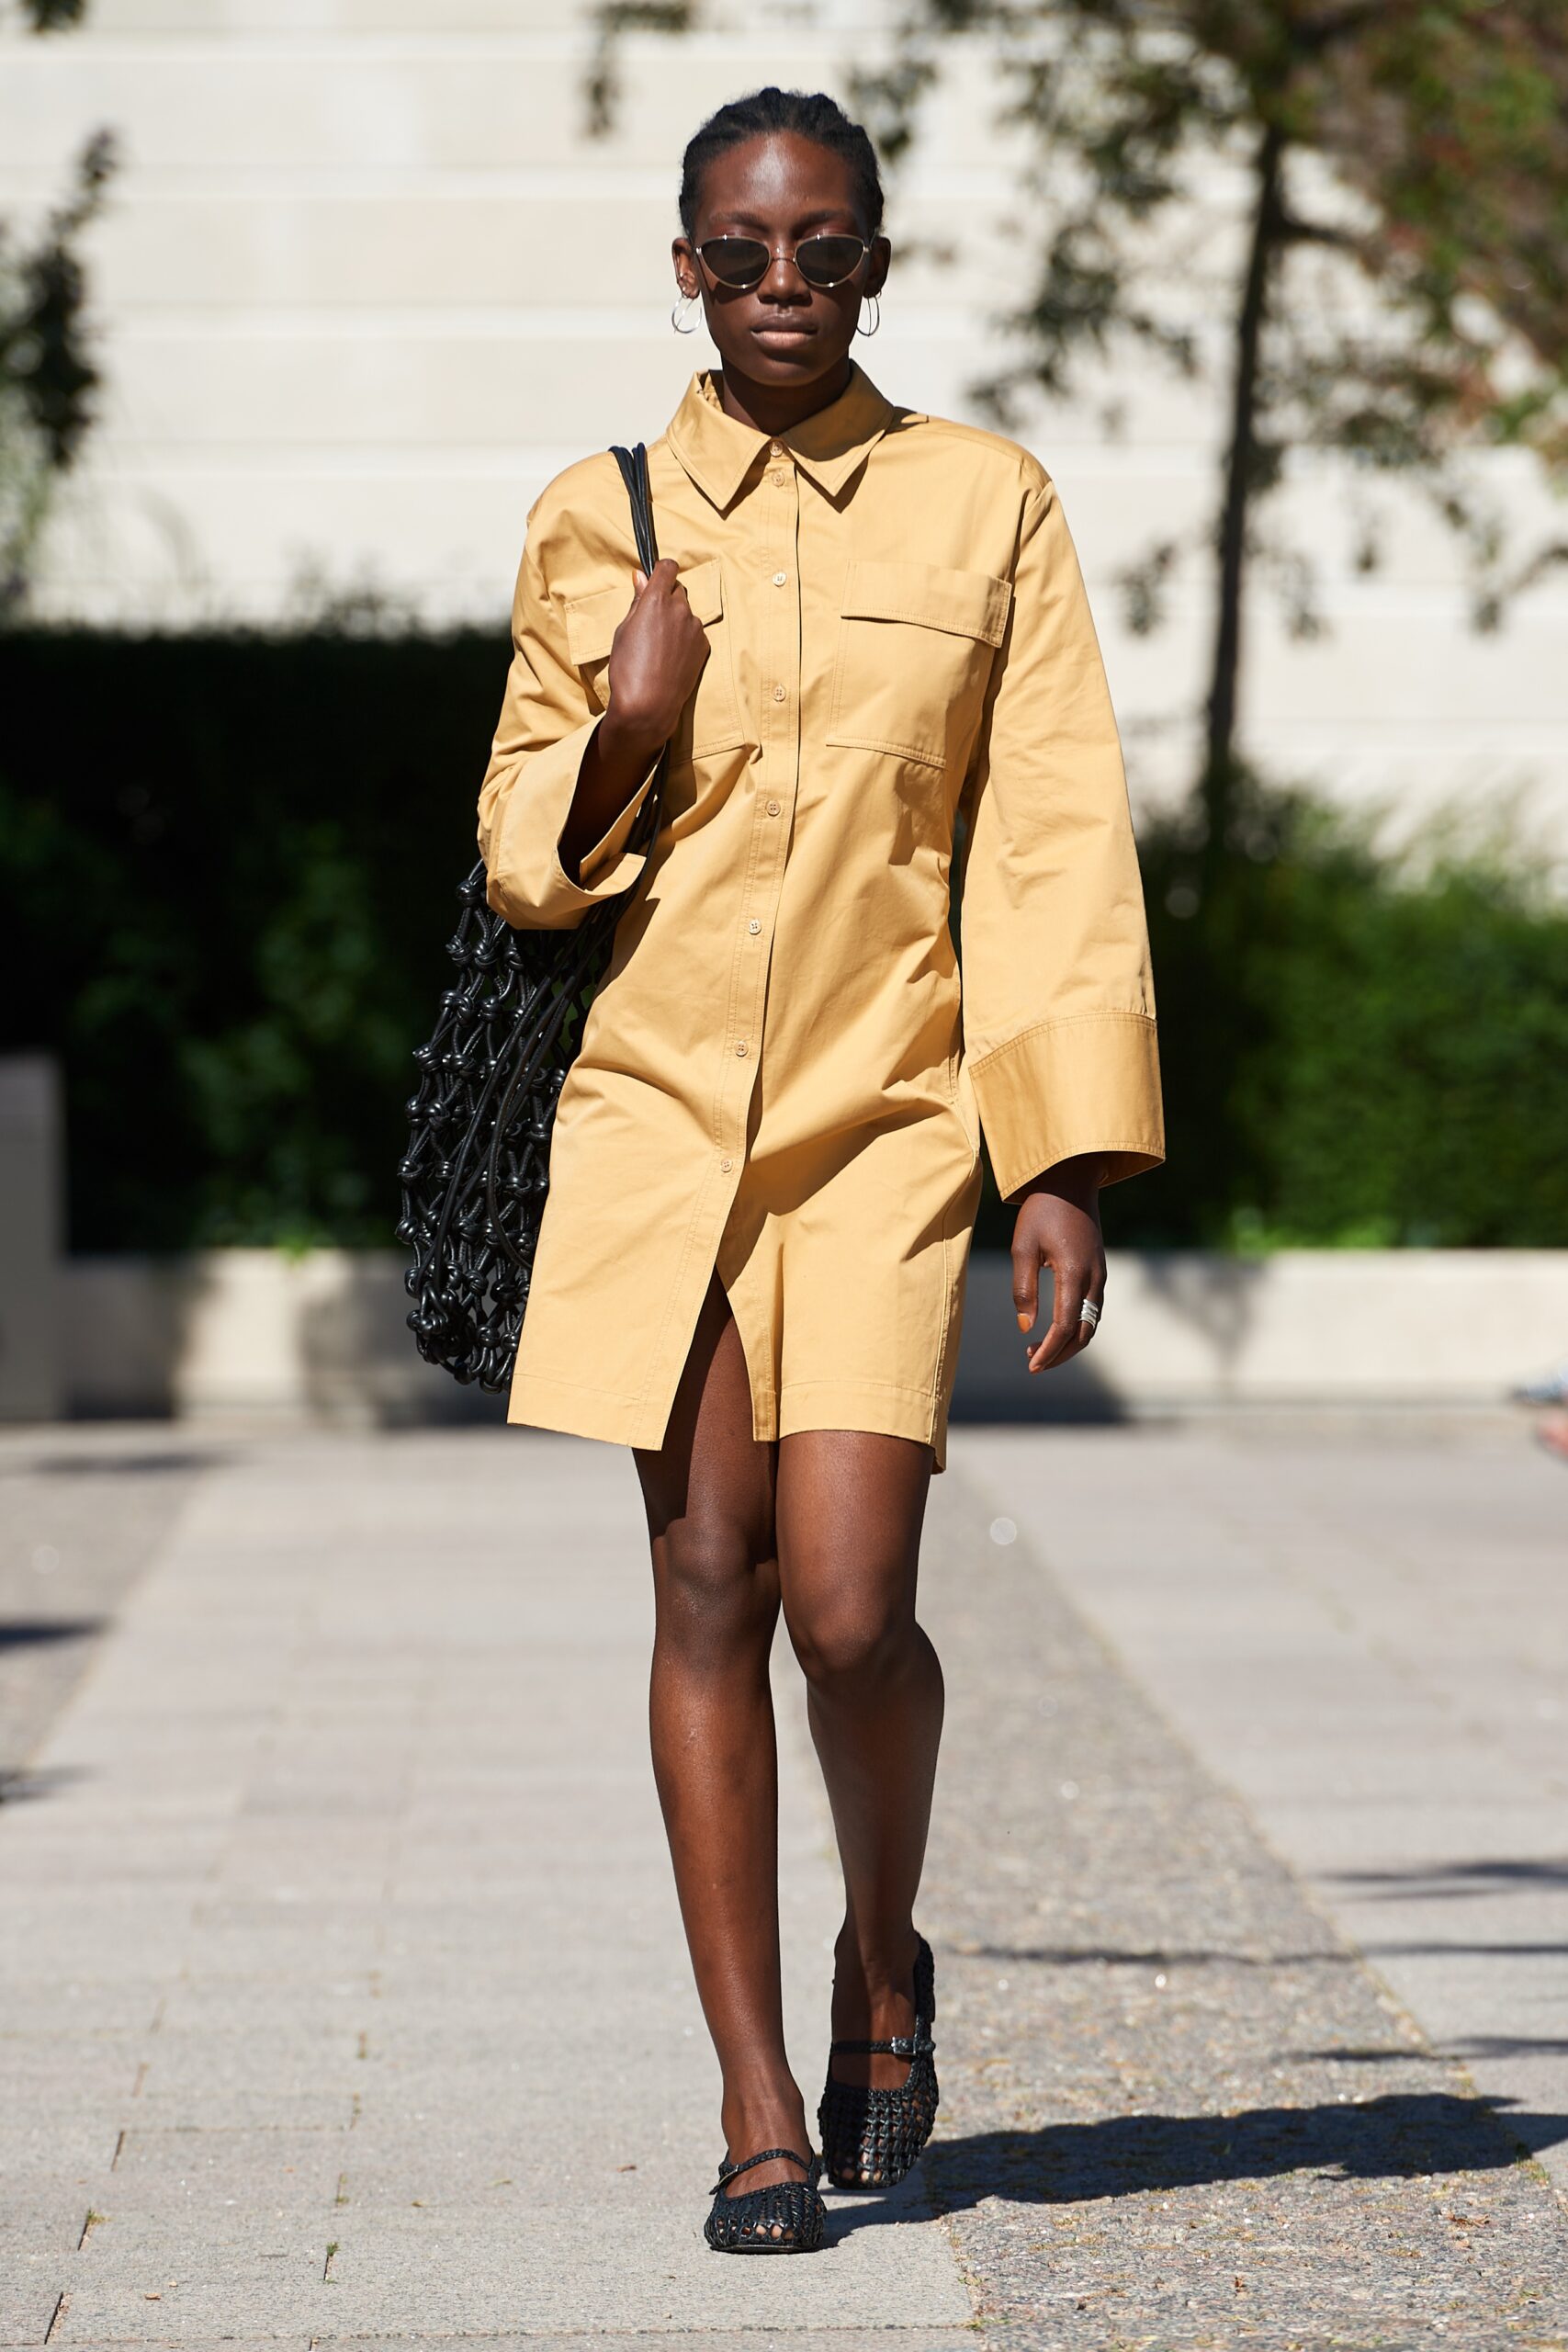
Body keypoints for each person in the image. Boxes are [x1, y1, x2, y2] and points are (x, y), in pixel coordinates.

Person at [477, 85, 1164, 2255]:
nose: (785, 284)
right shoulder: (601, 518)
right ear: (683, 263)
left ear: (880, 256)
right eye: (744, 248)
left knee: (852, 1609)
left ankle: (887, 1960)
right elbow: (518, 858)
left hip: (881, 1123)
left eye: (826, 247)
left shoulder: (987, 508)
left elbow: (1046, 836)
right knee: (707, 1581)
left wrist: (1059, 1153)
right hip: (657, 1121)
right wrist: (623, 728)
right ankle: (757, 2098)